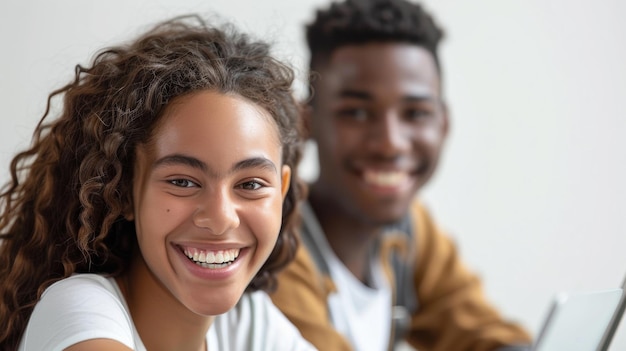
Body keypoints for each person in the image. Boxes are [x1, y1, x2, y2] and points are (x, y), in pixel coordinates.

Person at [0, 14, 316, 351]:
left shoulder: (249, 322)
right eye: (183, 181)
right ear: (124, 189)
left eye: (251, 184)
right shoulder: (78, 310)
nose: (221, 217)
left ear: (281, 191)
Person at [270, 0, 533, 350]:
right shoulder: (276, 244)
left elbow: (483, 332)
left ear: (444, 123)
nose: (390, 144)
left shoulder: (410, 230)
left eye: (415, 113)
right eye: (358, 112)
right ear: (306, 121)